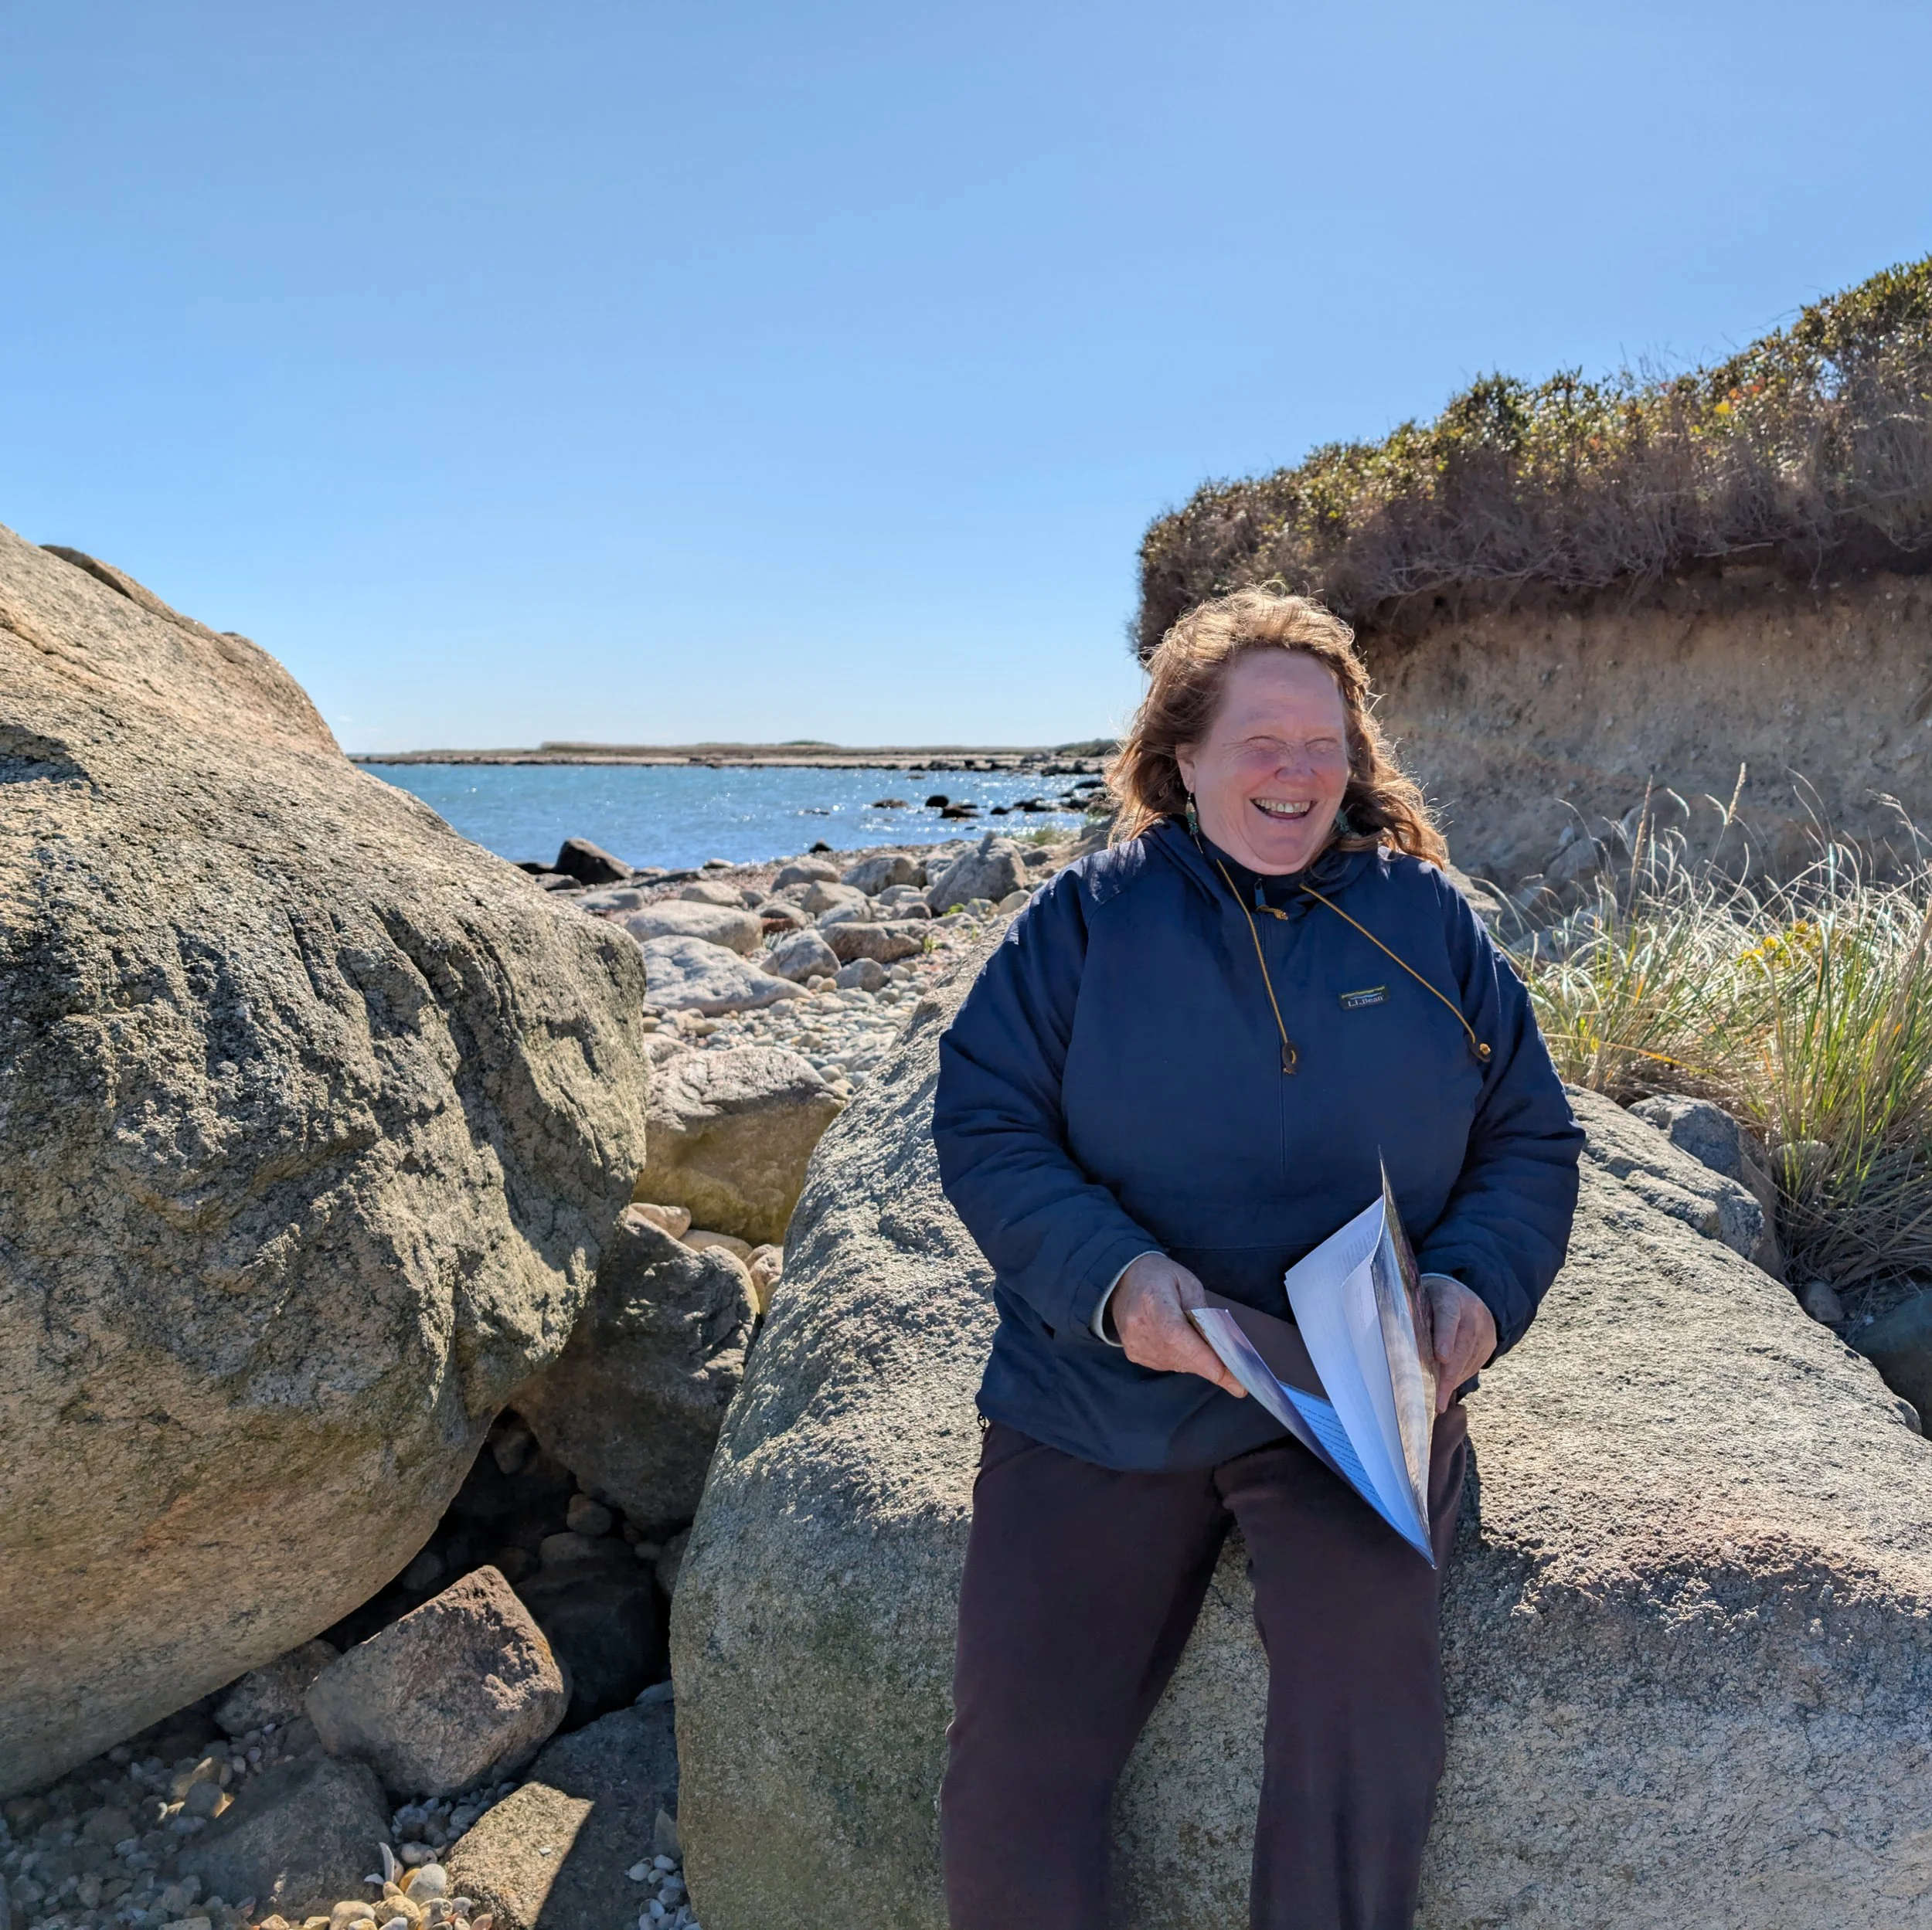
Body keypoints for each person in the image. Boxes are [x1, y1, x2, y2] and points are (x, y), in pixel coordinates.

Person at [930, 587, 1583, 1930]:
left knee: (1365, 1722)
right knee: (1013, 1783)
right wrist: (1117, 1282)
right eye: (1261, 742)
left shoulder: (1426, 922)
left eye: (1322, 743)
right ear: (1183, 762)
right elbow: (986, 1121)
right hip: (1099, 1397)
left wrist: (1474, 1292)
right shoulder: (1085, 921)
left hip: (1355, 1404)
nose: (1297, 772)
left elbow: (1532, 1135)